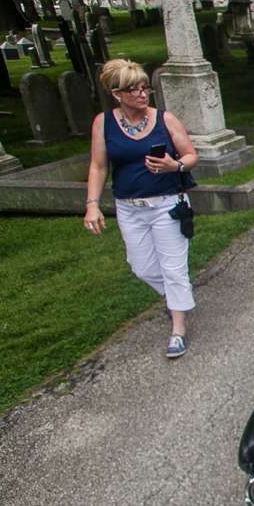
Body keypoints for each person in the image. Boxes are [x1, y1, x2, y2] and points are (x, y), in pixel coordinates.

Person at [83, 59, 199, 359]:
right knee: (142, 267)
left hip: (167, 205)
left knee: (173, 267)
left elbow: (190, 156)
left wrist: (175, 165)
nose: (141, 94)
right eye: (132, 89)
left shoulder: (164, 119)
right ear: (116, 94)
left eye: (144, 87)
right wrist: (92, 205)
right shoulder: (104, 122)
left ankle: (178, 328)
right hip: (129, 208)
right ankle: (178, 297)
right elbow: (98, 166)